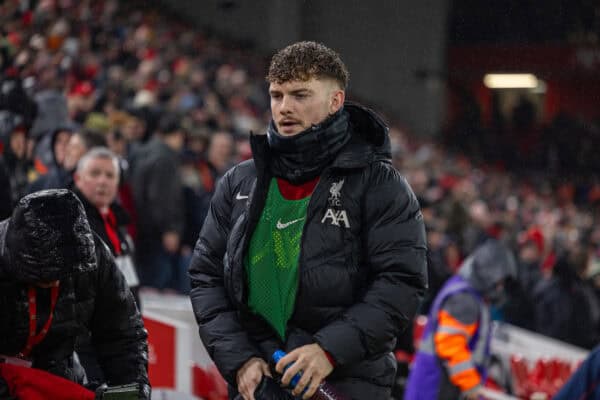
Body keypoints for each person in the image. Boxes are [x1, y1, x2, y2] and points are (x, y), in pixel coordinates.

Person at [189, 41, 428, 400]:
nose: (284, 108)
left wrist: (328, 350)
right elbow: (205, 275)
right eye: (277, 95)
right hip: (260, 383)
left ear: (336, 101)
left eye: (300, 95)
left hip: (347, 384)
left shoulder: (380, 185)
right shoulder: (240, 181)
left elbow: (401, 282)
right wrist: (239, 358)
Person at [0, 189, 150, 399]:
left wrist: (132, 389)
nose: (55, 282)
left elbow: (122, 333)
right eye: (45, 277)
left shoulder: (92, 259)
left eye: (62, 275)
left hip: (57, 375)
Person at [404, 239, 517, 400]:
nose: (500, 288)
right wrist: (471, 385)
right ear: (488, 274)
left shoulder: (466, 291)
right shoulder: (465, 299)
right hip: (436, 387)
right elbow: (450, 346)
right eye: (499, 282)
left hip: (438, 384)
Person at [131, 113, 186, 292]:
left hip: (141, 228)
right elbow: (162, 197)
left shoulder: (141, 151)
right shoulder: (165, 157)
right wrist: (169, 229)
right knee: (156, 288)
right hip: (157, 234)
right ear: (177, 135)